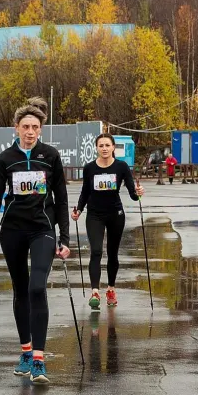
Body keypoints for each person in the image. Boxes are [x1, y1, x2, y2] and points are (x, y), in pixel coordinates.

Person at [0, 98, 71, 385]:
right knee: (20, 289)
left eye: (35, 127)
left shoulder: (51, 156)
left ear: (41, 130)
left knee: (36, 287)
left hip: (43, 228)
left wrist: (65, 237)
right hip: (13, 230)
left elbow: (62, 198)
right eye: (25, 126)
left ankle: (40, 361)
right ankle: (26, 352)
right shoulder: (6, 158)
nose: (30, 131)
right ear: (16, 128)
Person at [72, 133, 143, 311]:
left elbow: (133, 195)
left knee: (112, 253)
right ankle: (95, 292)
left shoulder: (121, 167)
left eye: (107, 145)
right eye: (101, 145)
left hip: (115, 214)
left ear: (113, 148)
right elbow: (85, 192)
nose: (104, 148)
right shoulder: (89, 168)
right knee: (96, 251)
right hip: (94, 215)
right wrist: (79, 210)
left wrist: (138, 192)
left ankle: (111, 289)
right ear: (96, 148)